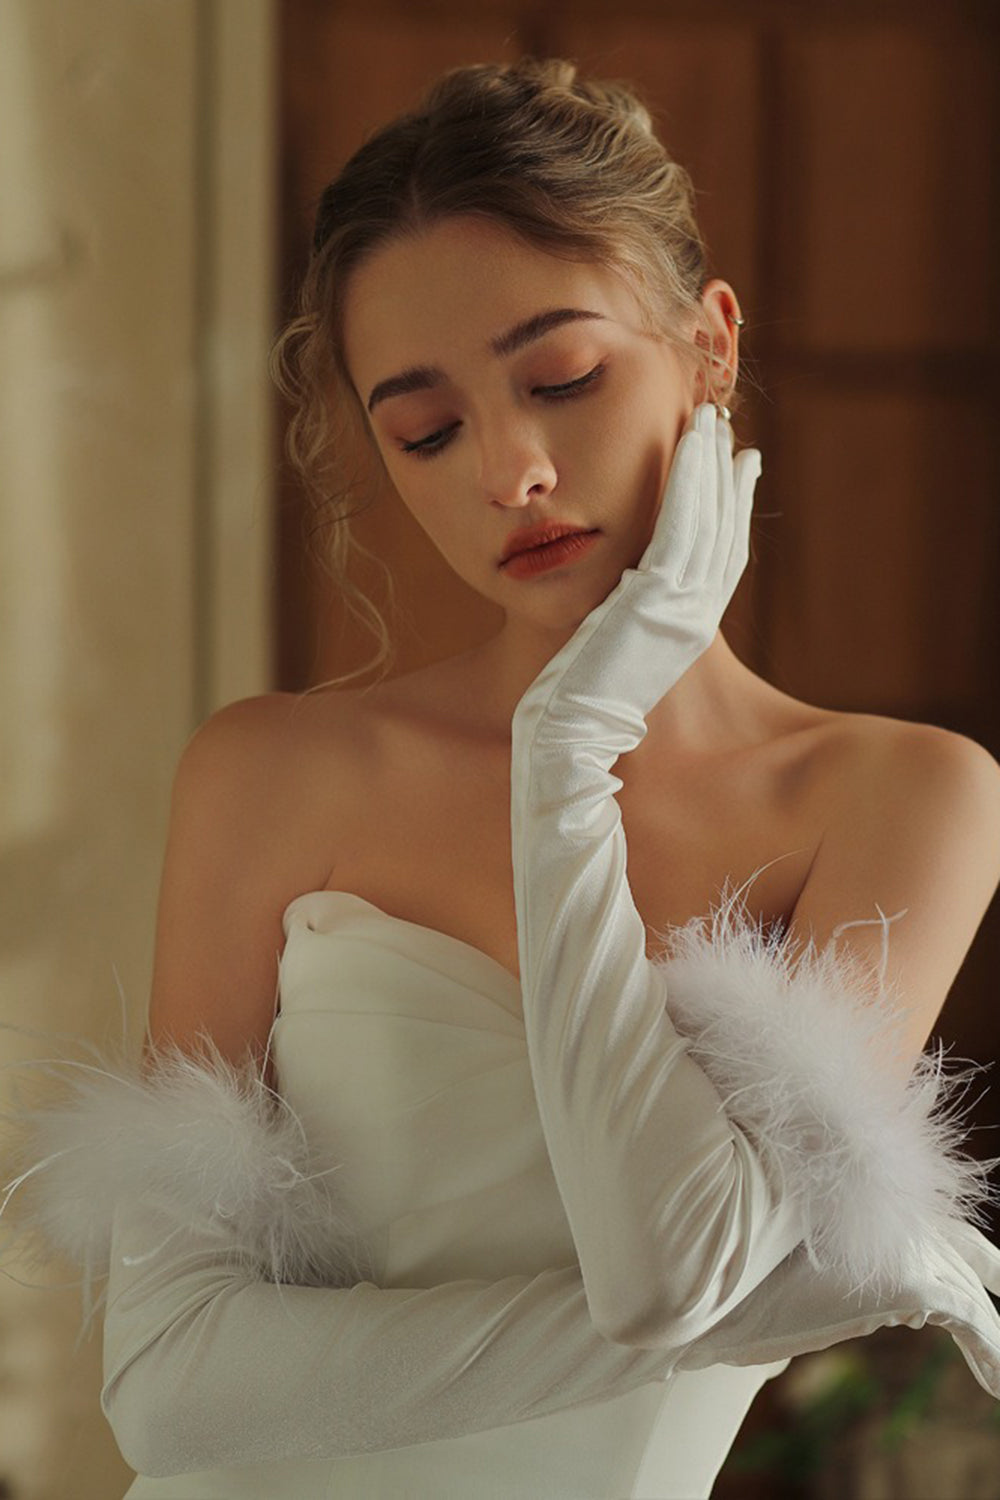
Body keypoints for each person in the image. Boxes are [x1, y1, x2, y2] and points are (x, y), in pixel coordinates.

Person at [4, 55, 1000, 1500]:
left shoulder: (903, 802)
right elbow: (170, 1392)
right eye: (426, 429)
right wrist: (808, 1295)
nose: (510, 470)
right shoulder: (273, 774)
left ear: (710, 347)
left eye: (563, 378)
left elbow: (670, 1284)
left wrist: (568, 753)